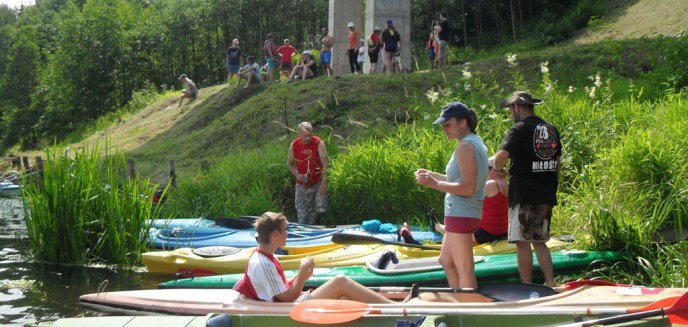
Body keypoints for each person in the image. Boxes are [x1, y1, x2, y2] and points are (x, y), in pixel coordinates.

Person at [233, 211, 393, 303]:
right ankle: (395, 307)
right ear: (275, 234)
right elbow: (286, 298)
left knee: (344, 297)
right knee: (340, 281)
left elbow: (280, 290)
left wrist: (300, 276)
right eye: (285, 230)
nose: (287, 233)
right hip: (288, 310)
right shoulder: (263, 263)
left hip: (288, 305)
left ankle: (389, 311)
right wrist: (302, 274)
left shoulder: (265, 256)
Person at [415, 102, 488, 289]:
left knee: (465, 269)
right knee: (446, 260)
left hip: (461, 213)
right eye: (443, 126)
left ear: (463, 122)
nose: (444, 129)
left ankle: (468, 311)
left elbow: (468, 188)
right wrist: (432, 175)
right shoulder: (474, 141)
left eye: (448, 124)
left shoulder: (464, 147)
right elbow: (459, 179)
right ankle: (459, 299)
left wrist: (436, 184)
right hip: (465, 212)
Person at [493, 91, 562, 287]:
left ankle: (527, 286)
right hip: (546, 193)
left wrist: (498, 170)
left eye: (510, 109)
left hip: (523, 194)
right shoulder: (550, 129)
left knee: (522, 242)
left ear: (516, 107)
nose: (510, 113)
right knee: (540, 241)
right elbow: (557, 164)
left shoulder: (519, 129)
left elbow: (500, 158)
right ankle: (550, 283)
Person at [435, 155, 509, 244]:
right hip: (503, 231)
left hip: (485, 234)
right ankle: (443, 227)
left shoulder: (491, 185)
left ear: (492, 170)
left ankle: (443, 228)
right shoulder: (507, 184)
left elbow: (465, 191)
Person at [287, 122, 328, 225]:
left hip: (318, 182)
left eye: (310, 135)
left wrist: (323, 184)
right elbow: (289, 164)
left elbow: (326, 165)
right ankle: (308, 228)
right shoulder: (294, 145)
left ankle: (317, 221)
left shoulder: (318, 143)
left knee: (321, 209)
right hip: (302, 184)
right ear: (299, 134)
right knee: (303, 217)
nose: (308, 138)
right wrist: (297, 174)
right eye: (305, 136)